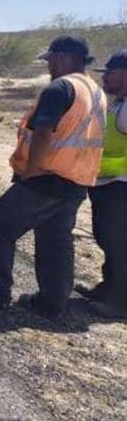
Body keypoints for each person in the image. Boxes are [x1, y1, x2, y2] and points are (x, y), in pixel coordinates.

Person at [0, 36, 106, 318]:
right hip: (77, 181)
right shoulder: (95, 91)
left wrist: (30, 171)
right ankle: (53, 304)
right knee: (55, 239)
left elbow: (42, 133)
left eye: (50, 59)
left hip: (46, 177)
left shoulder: (60, 87)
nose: (48, 65)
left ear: (63, 58)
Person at [76, 49, 127, 317]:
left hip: (121, 186)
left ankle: (120, 303)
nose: (105, 78)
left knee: (120, 244)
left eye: (111, 73)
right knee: (109, 239)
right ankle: (108, 289)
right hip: (107, 183)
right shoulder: (119, 103)